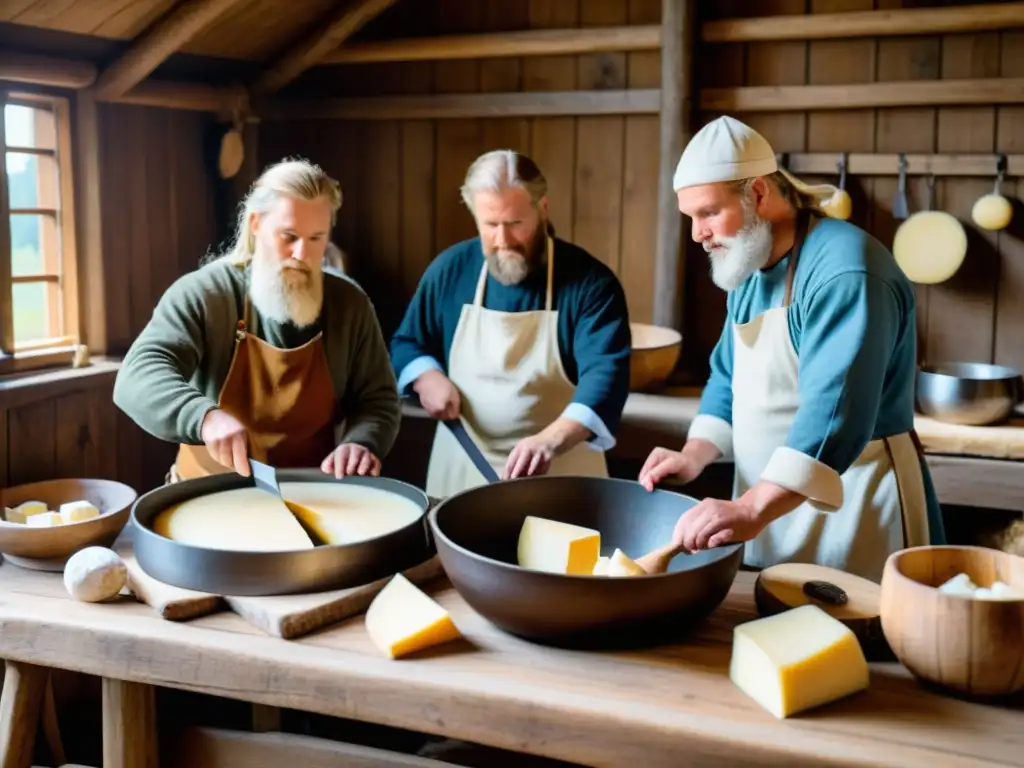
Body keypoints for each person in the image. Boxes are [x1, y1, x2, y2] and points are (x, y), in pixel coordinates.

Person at [638, 116, 946, 582]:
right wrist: (695, 453)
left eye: (708, 213)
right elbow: (728, 375)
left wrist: (752, 507)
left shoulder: (844, 271)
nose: (698, 233)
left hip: (854, 503)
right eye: (691, 219)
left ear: (758, 193)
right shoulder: (748, 262)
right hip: (768, 506)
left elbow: (833, 415)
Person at [113, 158, 401, 482]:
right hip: (208, 496)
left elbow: (378, 400)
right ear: (255, 224)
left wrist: (363, 442)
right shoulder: (205, 294)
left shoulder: (350, 305)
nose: (302, 254)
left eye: (316, 238)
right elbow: (136, 376)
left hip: (313, 494)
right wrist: (204, 418)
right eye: (288, 236)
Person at [391, 149, 632, 499]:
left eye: (515, 224)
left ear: (543, 208)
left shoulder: (590, 283)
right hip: (462, 465)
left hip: (561, 469)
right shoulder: (450, 270)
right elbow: (407, 342)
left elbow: (606, 377)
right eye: (490, 225)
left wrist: (550, 440)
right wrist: (426, 376)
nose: (503, 240)